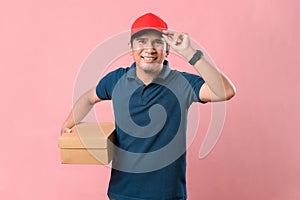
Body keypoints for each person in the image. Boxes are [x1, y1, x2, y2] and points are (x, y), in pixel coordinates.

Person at [61, 13, 236, 200]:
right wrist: (68, 124)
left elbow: (225, 91)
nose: (150, 49)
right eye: (142, 41)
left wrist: (191, 54)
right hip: (122, 193)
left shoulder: (182, 83)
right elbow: (88, 98)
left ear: (168, 50)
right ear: (130, 48)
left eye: (158, 42)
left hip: (167, 195)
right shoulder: (116, 80)